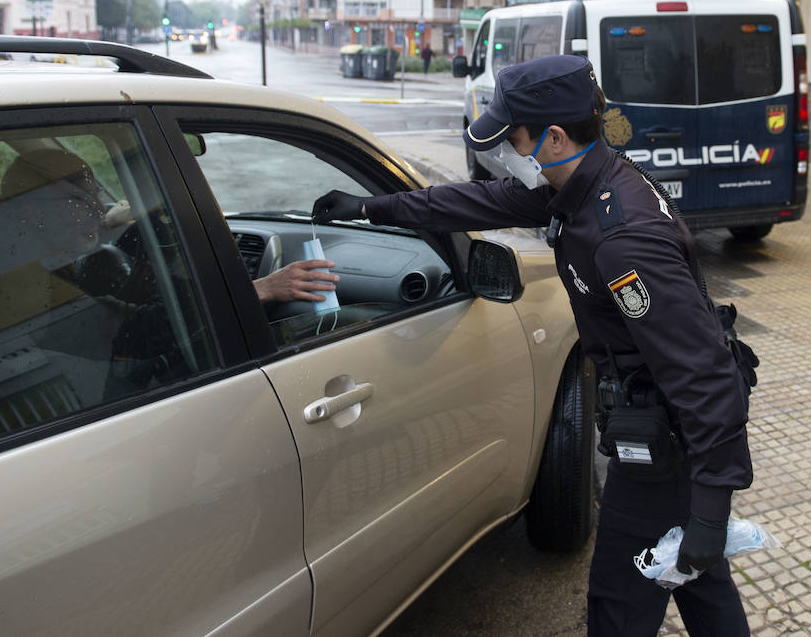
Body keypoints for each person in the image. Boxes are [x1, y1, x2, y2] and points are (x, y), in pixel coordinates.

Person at [312, 55, 753, 636]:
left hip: (663, 447)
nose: (511, 150)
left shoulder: (620, 239)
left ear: (555, 136)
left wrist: (712, 506)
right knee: (698, 584)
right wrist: (373, 208)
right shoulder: (589, 180)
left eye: (515, 137)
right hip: (662, 434)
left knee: (619, 607)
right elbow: (482, 201)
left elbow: (702, 372)